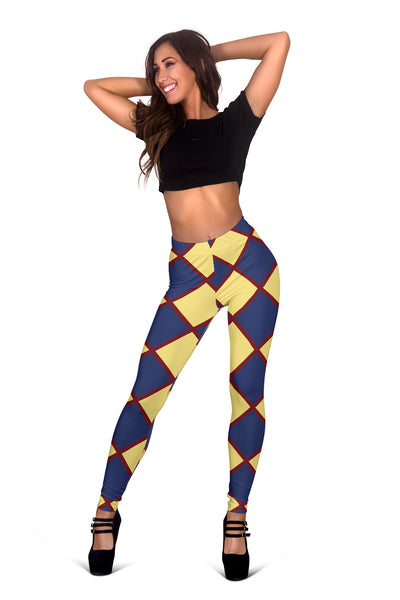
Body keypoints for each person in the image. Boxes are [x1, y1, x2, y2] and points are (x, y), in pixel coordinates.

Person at [84, 28, 290, 580]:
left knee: (246, 395)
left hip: (249, 269)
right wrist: (163, 85)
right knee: (146, 393)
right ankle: (106, 509)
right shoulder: (157, 127)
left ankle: (236, 516)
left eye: (169, 64)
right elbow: (93, 87)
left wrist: (206, 57)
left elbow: (279, 42)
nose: (160, 75)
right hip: (189, 278)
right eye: (155, 69)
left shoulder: (236, 120)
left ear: (194, 65)